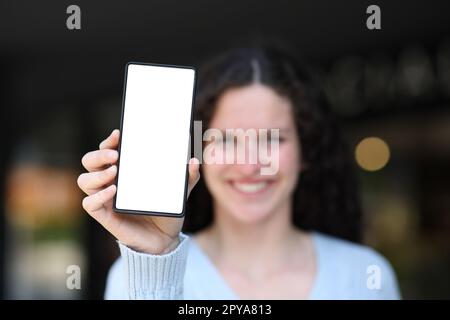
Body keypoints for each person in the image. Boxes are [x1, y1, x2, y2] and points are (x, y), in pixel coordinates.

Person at [77, 45, 401, 299]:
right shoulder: (132, 274)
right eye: (226, 140)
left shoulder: (366, 275)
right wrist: (154, 260)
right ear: (197, 149)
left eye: (272, 138)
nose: (248, 165)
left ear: (306, 151)